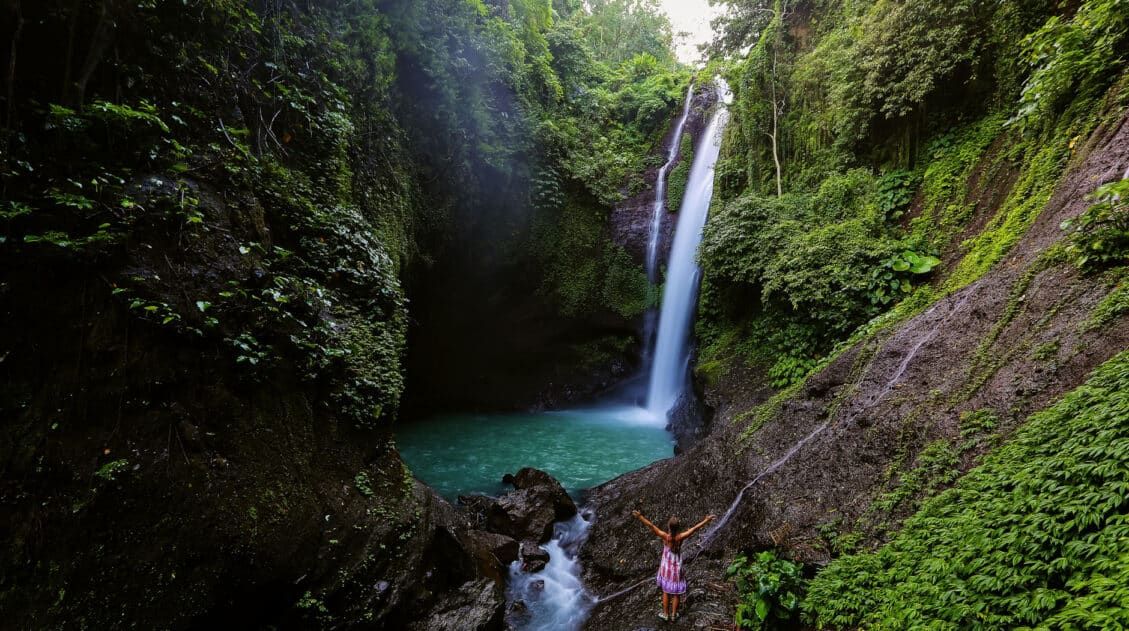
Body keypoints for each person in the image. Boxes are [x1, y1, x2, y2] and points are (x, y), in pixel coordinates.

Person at [632, 509, 716, 622]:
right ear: (678, 528)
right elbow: (695, 528)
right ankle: (674, 614)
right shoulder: (681, 537)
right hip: (677, 566)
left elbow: (651, 526)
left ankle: (665, 614)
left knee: (666, 591)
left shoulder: (665, 537)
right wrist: (706, 520)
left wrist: (640, 516)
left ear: (669, 527)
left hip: (666, 566)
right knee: (676, 592)